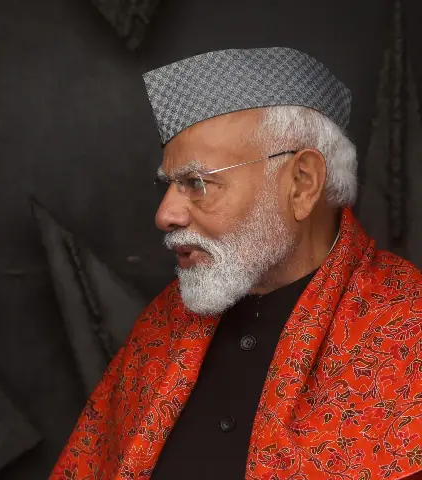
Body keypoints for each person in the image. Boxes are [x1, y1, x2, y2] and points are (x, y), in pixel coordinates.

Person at [51, 47, 422, 480]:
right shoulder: (163, 324)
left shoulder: (407, 327)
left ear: (302, 183)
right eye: (168, 185)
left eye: (196, 183)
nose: (165, 214)